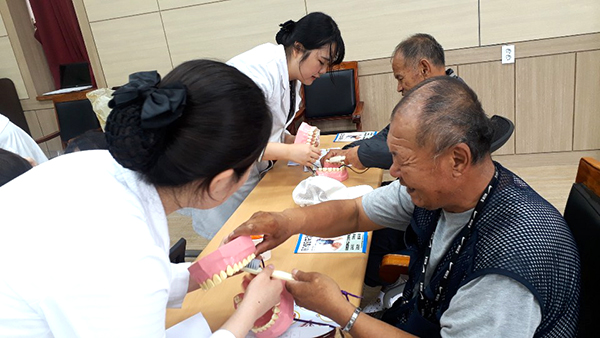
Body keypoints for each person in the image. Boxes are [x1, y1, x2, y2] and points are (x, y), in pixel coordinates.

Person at [229, 77, 580, 337]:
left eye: (403, 160)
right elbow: (354, 212)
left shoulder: (505, 270)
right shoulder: (442, 190)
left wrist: (341, 312)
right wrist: (287, 222)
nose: (393, 172)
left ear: (457, 159)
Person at [0, 60, 286, 338]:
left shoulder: (91, 165)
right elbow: (129, 274)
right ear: (221, 183)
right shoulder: (125, 250)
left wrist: (209, 269)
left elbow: (137, 280)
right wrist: (250, 310)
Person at [183, 12, 345, 239]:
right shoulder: (258, 73)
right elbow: (237, 142)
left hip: (247, 170)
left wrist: (291, 140)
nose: (322, 72)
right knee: (232, 241)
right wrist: (290, 151)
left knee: (253, 235)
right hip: (223, 169)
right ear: (298, 48)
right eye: (321, 62)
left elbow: (271, 127)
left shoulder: (292, 74)